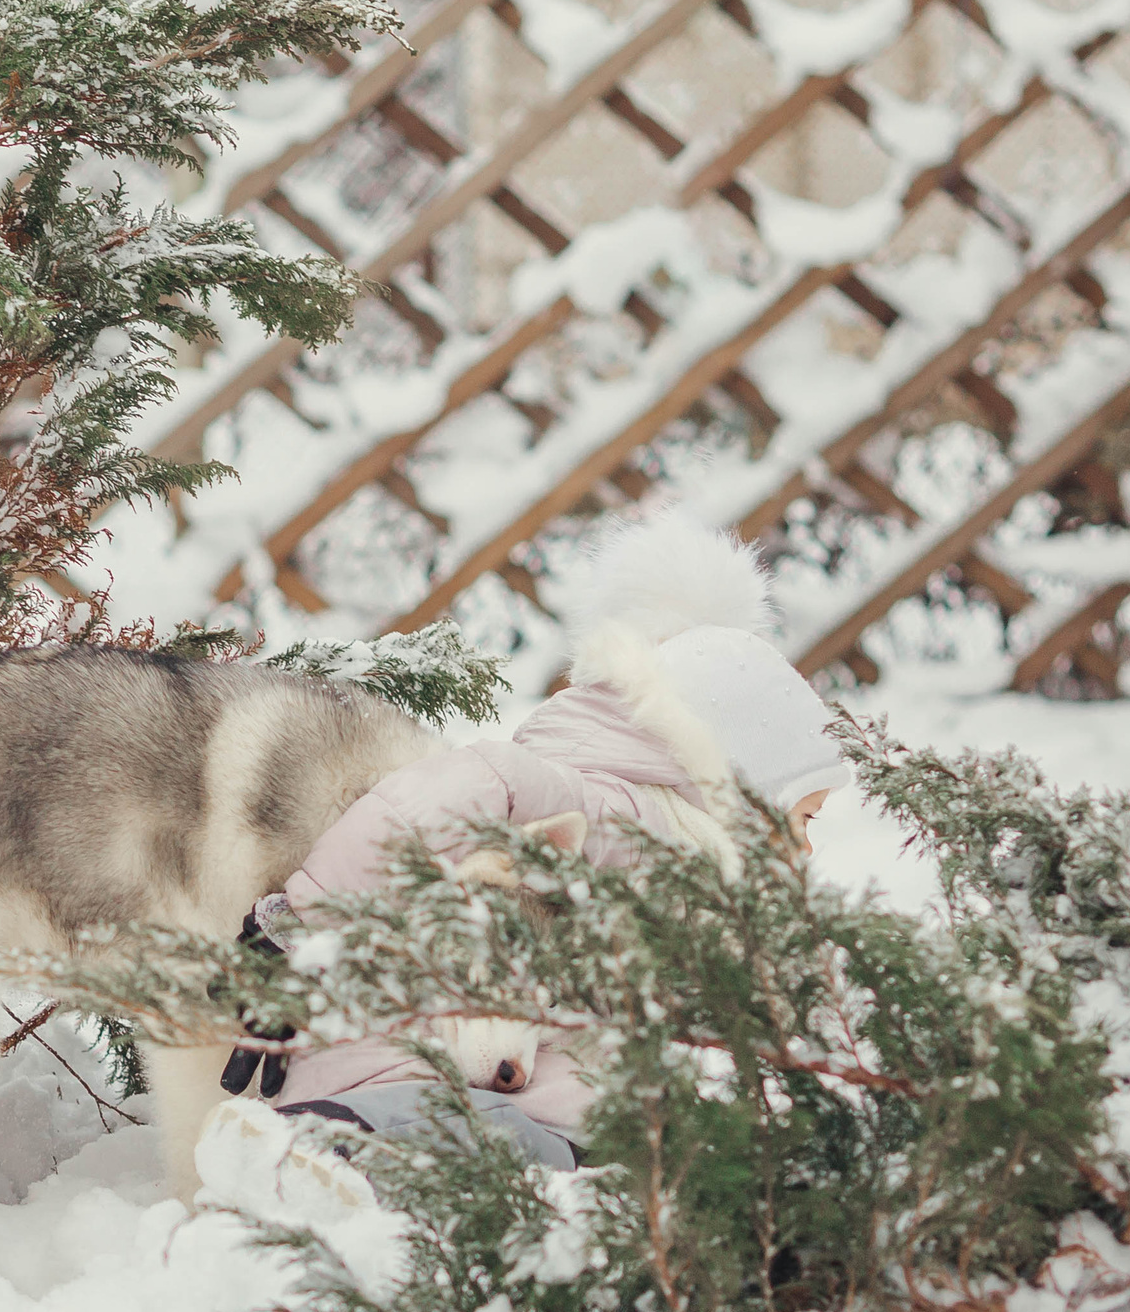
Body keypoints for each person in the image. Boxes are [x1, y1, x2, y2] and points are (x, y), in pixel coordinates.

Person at [193, 513, 848, 1219]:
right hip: (403, 1067)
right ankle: (309, 1155)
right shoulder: (613, 809)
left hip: (524, 1107)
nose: (805, 850)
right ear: (741, 778)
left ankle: (335, 1166)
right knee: (483, 1133)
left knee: (540, 1151)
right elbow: (475, 777)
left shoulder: (686, 867)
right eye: (801, 816)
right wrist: (307, 914)